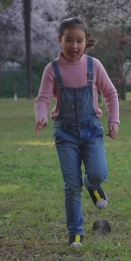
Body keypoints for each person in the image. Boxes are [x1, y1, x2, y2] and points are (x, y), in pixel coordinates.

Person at [35, 17, 119, 248]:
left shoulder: (94, 66)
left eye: (79, 41)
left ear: (86, 41)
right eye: (68, 40)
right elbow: (42, 99)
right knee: (71, 185)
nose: (74, 46)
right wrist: (41, 116)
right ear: (60, 41)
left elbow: (111, 94)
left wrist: (114, 120)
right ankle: (76, 233)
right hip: (65, 133)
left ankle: (93, 186)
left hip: (92, 130)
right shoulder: (52, 69)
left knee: (99, 173)